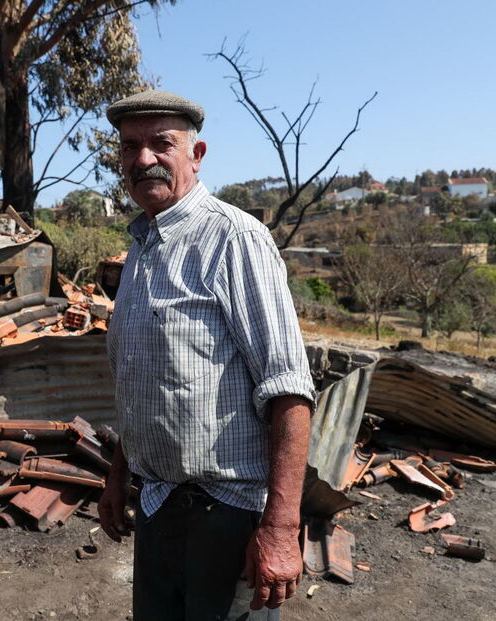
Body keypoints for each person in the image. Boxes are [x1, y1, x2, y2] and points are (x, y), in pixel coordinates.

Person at [98, 89, 317, 620]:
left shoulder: (234, 238)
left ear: (196, 155)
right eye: (129, 146)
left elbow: (289, 389)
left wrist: (281, 529)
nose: (143, 159)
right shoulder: (141, 248)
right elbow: (139, 379)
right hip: (158, 505)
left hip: (229, 515)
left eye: (161, 143)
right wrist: (118, 474)